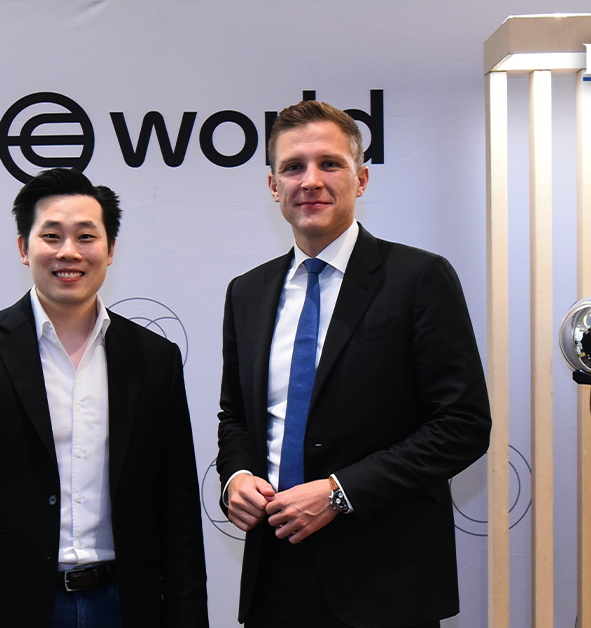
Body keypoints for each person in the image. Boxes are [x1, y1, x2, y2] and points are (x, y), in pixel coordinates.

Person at [216, 101, 492, 628]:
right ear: (273, 186)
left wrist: (340, 493)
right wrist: (237, 476)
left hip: (384, 583)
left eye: (330, 163)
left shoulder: (419, 278)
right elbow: (236, 417)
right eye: (293, 167)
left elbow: (463, 425)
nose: (310, 181)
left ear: (360, 179)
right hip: (274, 575)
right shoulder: (246, 292)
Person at [0, 168, 209, 628]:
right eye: (52, 236)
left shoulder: (155, 358)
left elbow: (179, 511)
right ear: (24, 248)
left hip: (126, 604)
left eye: (86, 236)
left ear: (110, 250)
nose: (69, 252)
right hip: (11, 607)